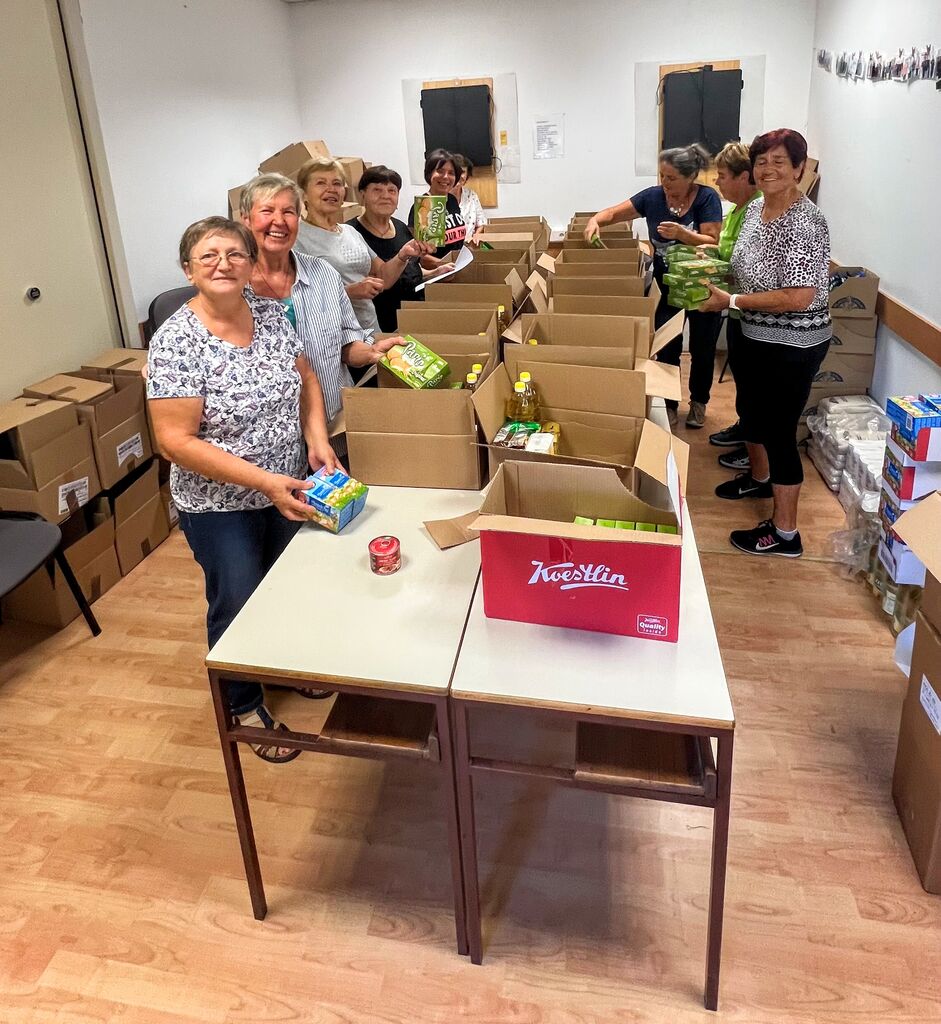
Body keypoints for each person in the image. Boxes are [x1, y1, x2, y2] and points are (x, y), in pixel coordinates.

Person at [147, 216, 337, 763]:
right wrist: (264, 482)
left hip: (288, 484)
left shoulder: (271, 313)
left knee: (285, 585)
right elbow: (174, 441)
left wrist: (317, 439)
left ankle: (279, 665)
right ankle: (243, 703)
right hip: (219, 504)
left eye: (235, 254)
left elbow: (305, 378)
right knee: (237, 597)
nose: (223, 264)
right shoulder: (175, 341)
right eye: (208, 256)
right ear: (188, 270)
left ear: (252, 265)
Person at [699, 129, 832, 559]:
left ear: (799, 168)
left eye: (779, 161)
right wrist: (713, 274)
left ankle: (786, 534)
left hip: (793, 343)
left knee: (778, 430)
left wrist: (731, 301)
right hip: (754, 332)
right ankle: (759, 480)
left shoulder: (806, 221)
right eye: (761, 161)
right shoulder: (756, 208)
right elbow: (744, 268)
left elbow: (799, 296)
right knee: (752, 412)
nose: (768, 169)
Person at [239, 172, 400, 438]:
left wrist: (371, 352)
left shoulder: (323, 274)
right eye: (267, 211)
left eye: (288, 212)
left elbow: (346, 343)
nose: (279, 221)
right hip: (268, 441)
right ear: (246, 219)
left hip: (332, 424)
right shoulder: (232, 286)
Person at [583, 144, 722, 430]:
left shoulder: (706, 198)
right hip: (666, 287)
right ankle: (669, 404)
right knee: (667, 347)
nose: (664, 183)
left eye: (671, 178)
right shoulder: (652, 197)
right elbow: (614, 213)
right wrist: (595, 221)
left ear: (690, 177)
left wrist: (683, 234)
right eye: (662, 176)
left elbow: (713, 241)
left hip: (700, 287)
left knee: (703, 347)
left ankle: (698, 402)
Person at [293, 158, 430, 334]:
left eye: (337, 183)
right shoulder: (296, 238)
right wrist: (348, 292)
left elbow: (382, 276)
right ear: (303, 193)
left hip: (369, 329)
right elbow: (293, 299)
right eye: (321, 183)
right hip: (332, 335)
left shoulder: (350, 232)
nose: (331, 189)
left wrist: (403, 254)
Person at [705, 142, 762, 470]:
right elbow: (730, 253)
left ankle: (756, 451)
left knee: (754, 386)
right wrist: (709, 256)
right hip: (737, 309)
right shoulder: (738, 210)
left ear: (743, 177)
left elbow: (745, 266)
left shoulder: (756, 211)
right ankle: (745, 430)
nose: (717, 182)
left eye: (722, 176)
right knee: (743, 377)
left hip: (751, 312)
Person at [349, 165, 433, 332]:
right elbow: (376, 278)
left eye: (392, 190)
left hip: (414, 316)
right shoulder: (351, 233)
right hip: (379, 325)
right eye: (377, 190)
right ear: (362, 195)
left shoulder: (400, 227)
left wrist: (435, 273)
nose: (386, 196)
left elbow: (410, 269)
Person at [407, 149, 467, 257]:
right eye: (440, 171)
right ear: (429, 173)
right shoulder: (424, 205)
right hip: (440, 267)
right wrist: (442, 264)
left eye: (451, 173)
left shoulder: (452, 200)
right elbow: (423, 256)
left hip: (458, 263)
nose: (445, 176)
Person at [452, 153, 486, 244]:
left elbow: (481, 223)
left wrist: (477, 235)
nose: (459, 175)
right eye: (455, 171)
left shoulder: (472, 195)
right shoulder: (437, 200)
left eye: (462, 172)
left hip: (469, 247)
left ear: (467, 176)